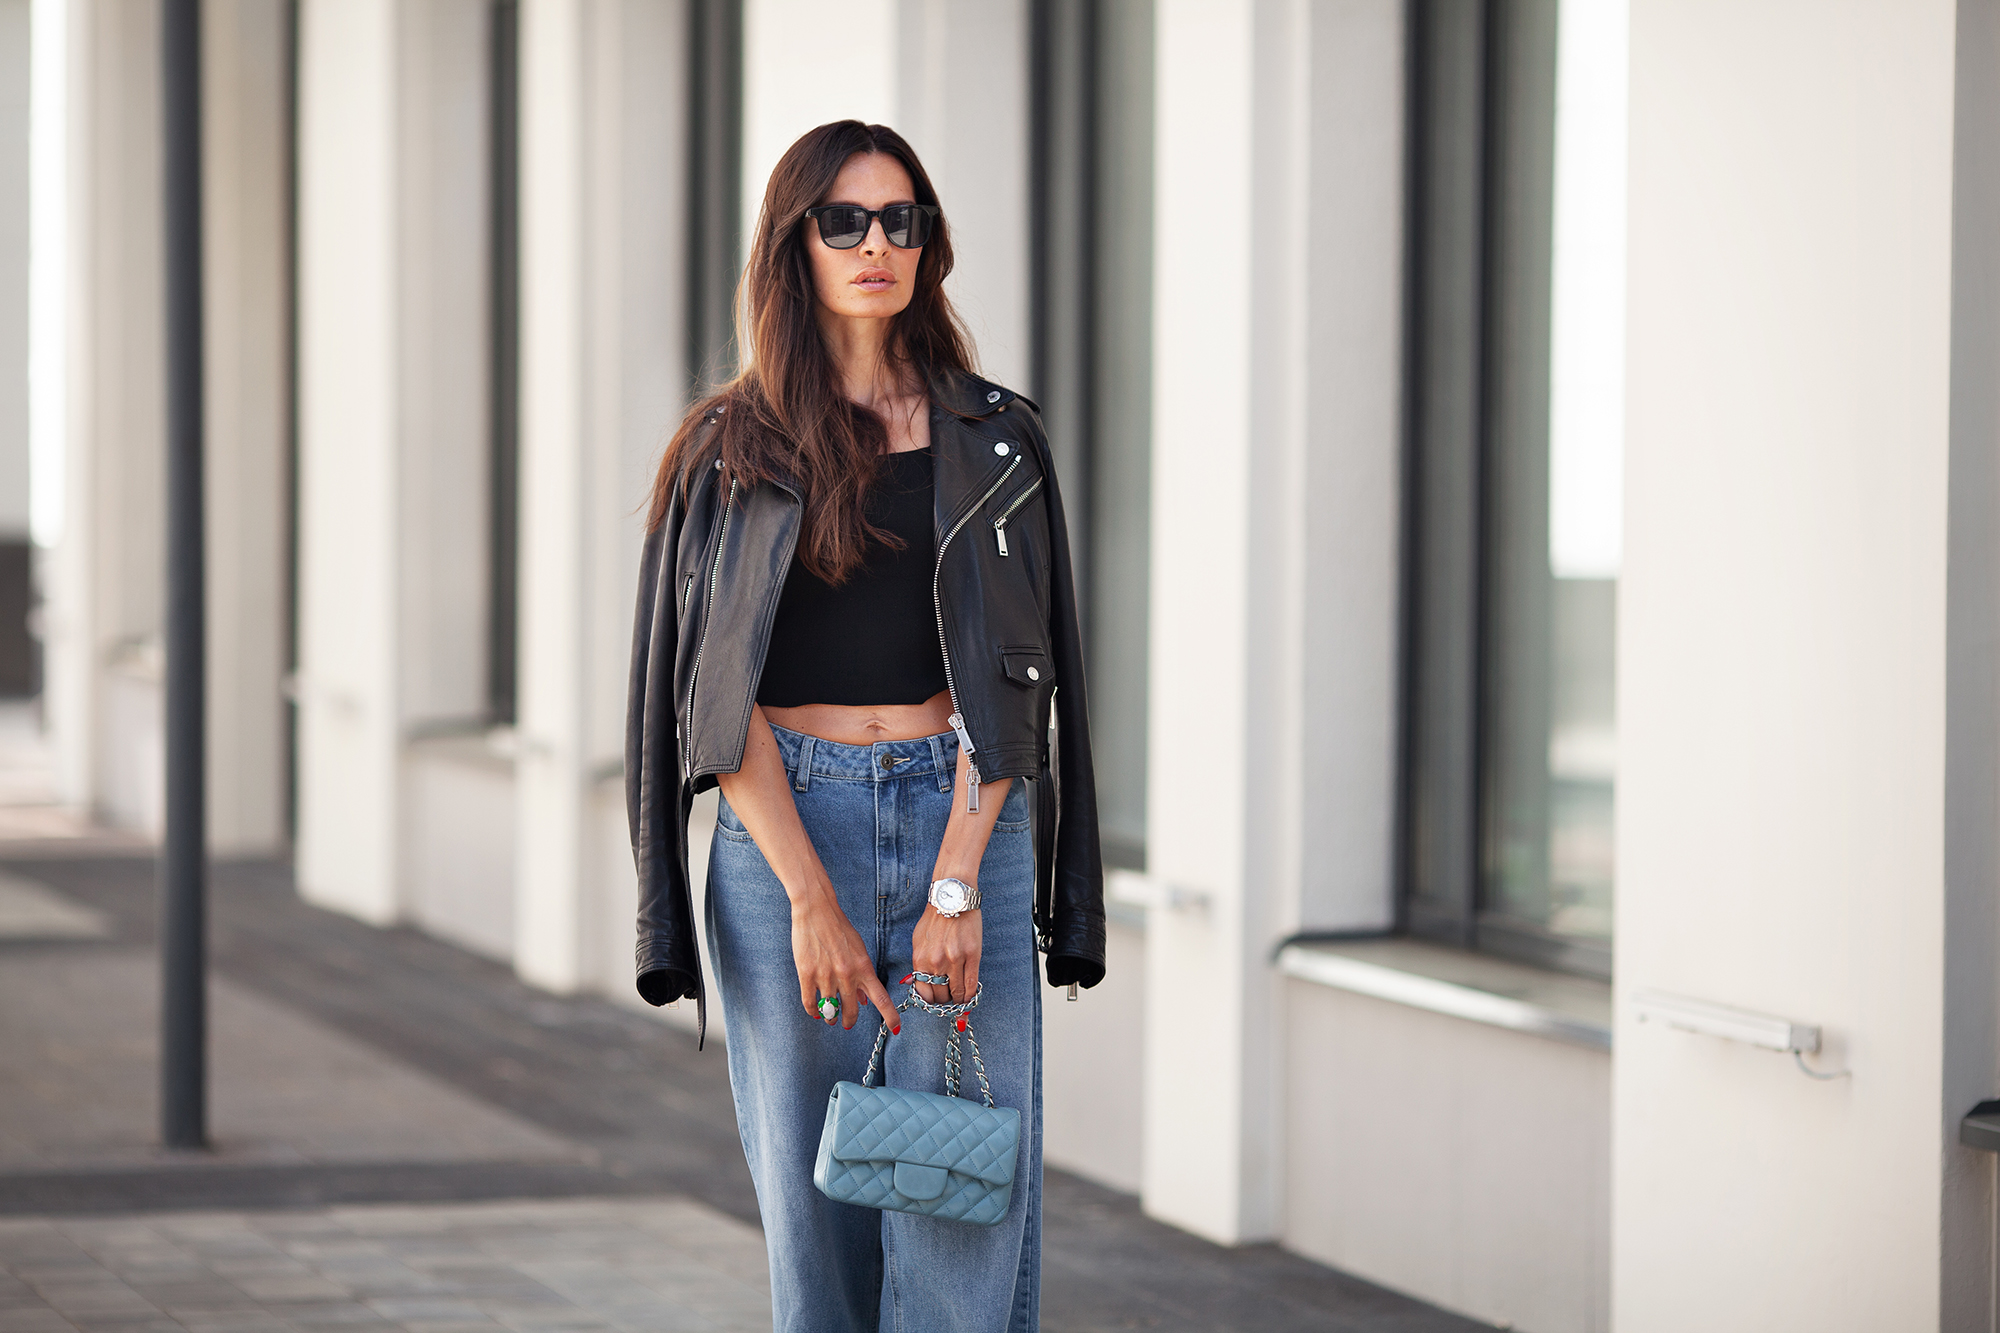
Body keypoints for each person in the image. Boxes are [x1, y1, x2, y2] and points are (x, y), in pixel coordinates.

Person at [624, 120, 1106, 1333]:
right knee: (815, 1217)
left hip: (967, 828)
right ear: (797, 244)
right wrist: (807, 899)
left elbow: (1019, 679)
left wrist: (956, 884)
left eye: (902, 220)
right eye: (845, 220)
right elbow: (714, 705)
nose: (877, 243)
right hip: (793, 831)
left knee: (959, 1202)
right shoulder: (727, 449)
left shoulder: (996, 438)